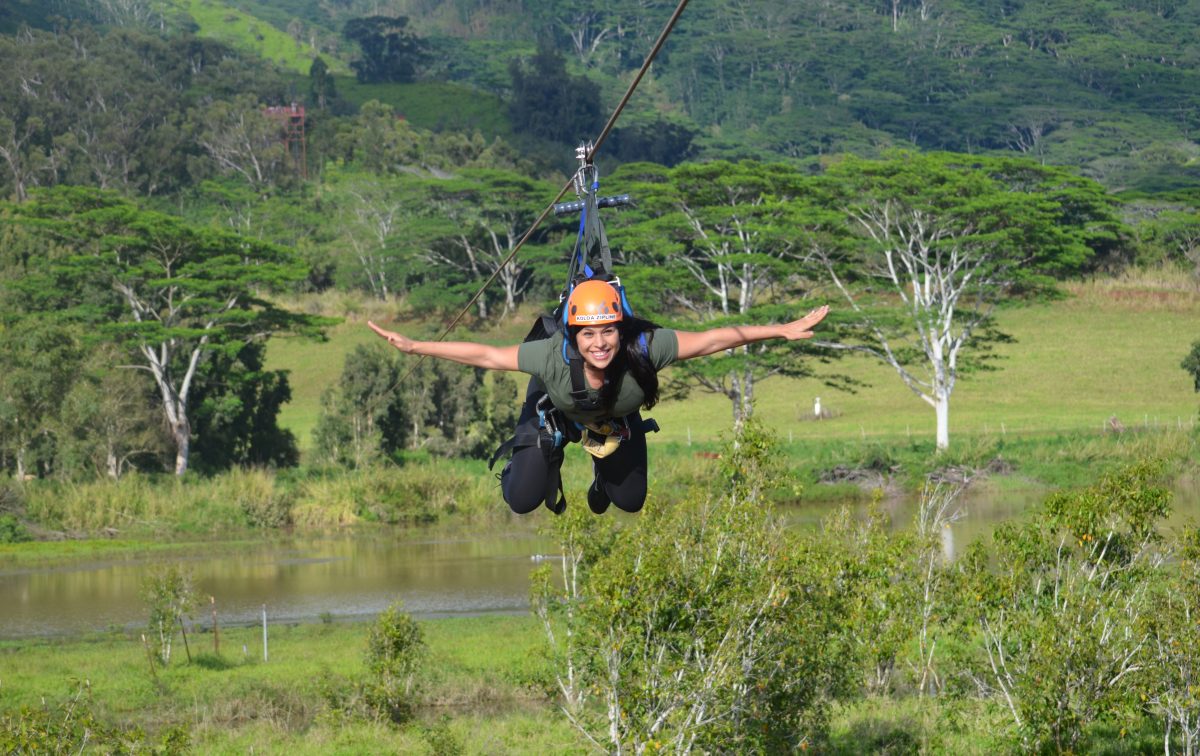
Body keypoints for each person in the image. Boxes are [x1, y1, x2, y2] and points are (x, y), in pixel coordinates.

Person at [368, 279, 829, 515]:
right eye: (588, 335)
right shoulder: (551, 355)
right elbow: (486, 354)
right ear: (573, 336)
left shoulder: (645, 348)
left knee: (629, 501)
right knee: (524, 499)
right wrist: (416, 346)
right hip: (555, 413)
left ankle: (600, 469)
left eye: (608, 331)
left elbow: (715, 339)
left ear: (621, 330)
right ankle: (543, 456)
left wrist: (780, 330)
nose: (600, 343)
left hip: (613, 422)